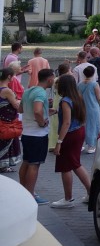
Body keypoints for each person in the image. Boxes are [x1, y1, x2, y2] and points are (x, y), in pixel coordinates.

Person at [52, 73, 92, 207]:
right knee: (75, 163)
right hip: (79, 131)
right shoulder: (77, 97)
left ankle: (68, 198)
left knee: (66, 166)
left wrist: (59, 142)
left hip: (69, 134)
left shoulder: (65, 101)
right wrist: (57, 112)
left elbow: (67, 122)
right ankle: (90, 192)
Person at [19, 69, 54, 204]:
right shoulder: (40, 92)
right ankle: (30, 195)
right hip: (37, 134)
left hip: (26, 133)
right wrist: (42, 122)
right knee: (34, 165)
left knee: (26, 162)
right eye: (53, 78)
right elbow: (37, 111)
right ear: (49, 79)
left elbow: (21, 109)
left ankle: (23, 191)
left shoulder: (28, 91)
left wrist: (46, 110)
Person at [0, 68, 22, 172]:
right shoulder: (7, 90)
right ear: (9, 76)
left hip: (2, 119)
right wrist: (20, 101)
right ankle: (3, 165)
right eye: (13, 76)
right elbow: (16, 105)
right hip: (7, 121)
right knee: (7, 141)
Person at [76, 66, 100, 154]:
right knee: (93, 126)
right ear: (93, 73)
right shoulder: (95, 84)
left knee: (82, 126)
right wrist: (97, 103)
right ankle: (91, 145)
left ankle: (80, 145)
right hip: (93, 107)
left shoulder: (79, 84)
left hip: (83, 107)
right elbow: (99, 98)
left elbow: (79, 97)